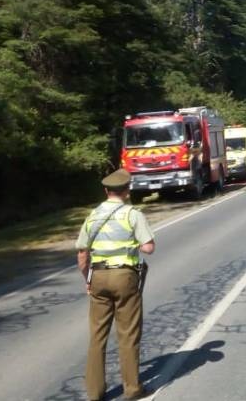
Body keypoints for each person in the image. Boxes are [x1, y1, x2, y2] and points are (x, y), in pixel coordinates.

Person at [75, 168, 155, 401]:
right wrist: (132, 245)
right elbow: (149, 247)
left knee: (97, 336)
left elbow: (82, 254)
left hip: (98, 276)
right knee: (128, 335)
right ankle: (132, 389)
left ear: (106, 191)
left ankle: (95, 393)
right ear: (127, 190)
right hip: (124, 277)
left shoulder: (92, 216)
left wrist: (88, 279)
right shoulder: (133, 214)